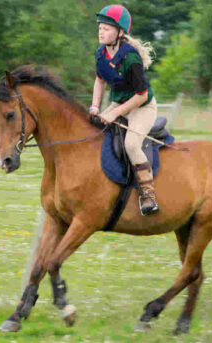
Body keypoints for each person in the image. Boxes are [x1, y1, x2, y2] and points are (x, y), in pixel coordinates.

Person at [89, 4, 159, 216]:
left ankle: (148, 195)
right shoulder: (101, 53)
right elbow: (99, 81)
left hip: (142, 106)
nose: (101, 31)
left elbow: (142, 95)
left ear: (120, 32)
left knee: (130, 144)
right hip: (119, 103)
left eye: (107, 28)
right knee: (93, 132)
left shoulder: (130, 58)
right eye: (100, 27)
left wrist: (114, 113)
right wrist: (95, 106)